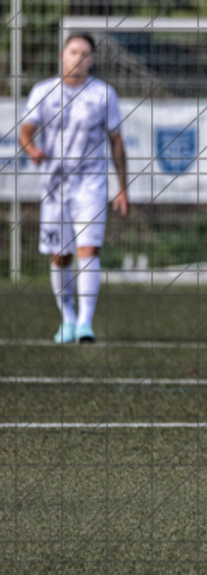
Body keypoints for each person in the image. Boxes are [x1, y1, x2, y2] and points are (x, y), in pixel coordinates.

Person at [19, 32, 129, 344]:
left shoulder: (104, 94)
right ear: (62, 56)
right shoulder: (44, 91)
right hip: (55, 188)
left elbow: (116, 141)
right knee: (60, 255)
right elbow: (26, 130)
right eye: (73, 51)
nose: (78, 57)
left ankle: (85, 323)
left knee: (89, 250)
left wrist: (122, 187)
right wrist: (32, 150)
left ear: (91, 60)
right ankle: (67, 318)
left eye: (84, 53)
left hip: (91, 185)